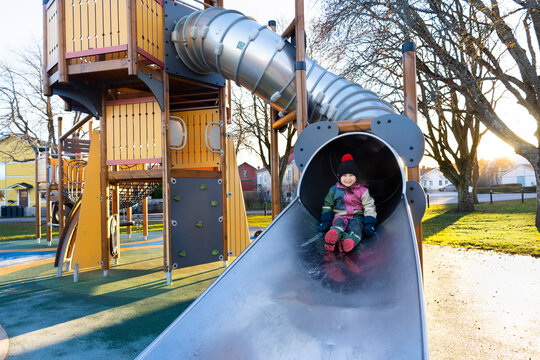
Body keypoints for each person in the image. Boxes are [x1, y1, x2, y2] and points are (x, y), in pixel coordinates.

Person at [318, 154, 377, 253]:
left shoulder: (362, 191)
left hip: (357, 217)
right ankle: (333, 237)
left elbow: (369, 206)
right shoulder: (334, 190)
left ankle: (349, 242)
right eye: (344, 175)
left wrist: (369, 223)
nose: (348, 179)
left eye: (351, 175)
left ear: (356, 176)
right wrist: (326, 220)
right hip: (340, 215)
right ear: (339, 176)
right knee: (337, 224)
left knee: (356, 228)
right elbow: (328, 205)